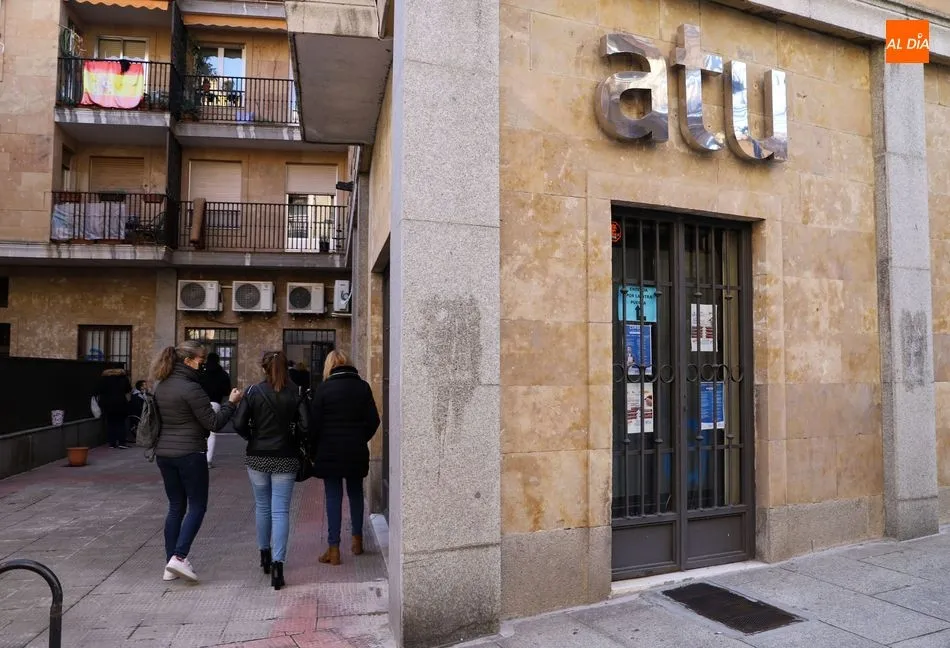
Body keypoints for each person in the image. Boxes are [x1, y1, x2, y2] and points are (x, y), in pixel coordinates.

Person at [150, 340, 242, 583]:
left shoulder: (162, 385)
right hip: (190, 453)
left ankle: (170, 564)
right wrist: (231, 404)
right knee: (197, 505)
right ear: (188, 361)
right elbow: (214, 423)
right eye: (201, 360)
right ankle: (179, 558)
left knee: (175, 506)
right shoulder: (191, 388)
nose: (203, 365)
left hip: (165, 454)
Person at [233, 350, 310, 590]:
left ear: (264, 368)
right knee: (280, 511)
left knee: (262, 507)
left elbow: (237, 423)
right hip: (285, 456)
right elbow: (307, 425)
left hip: (257, 456)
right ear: (286, 368)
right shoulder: (296, 392)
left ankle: (264, 556)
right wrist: (294, 438)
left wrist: (252, 437)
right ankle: (278, 566)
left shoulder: (253, 392)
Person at [310, 350, 380, 565]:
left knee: (333, 496)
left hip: (329, 451)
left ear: (329, 367)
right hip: (355, 450)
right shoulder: (362, 387)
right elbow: (374, 420)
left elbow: (314, 425)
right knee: (356, 493)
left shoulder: (323, 389)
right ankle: (357, 542)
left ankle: (333, 550)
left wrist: (314, 451)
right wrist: (360, 437)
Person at [199, 352, 232, 468]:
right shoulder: (223, 374)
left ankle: (197, 456)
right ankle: (208, 460)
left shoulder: (201, 372)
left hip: (199, 402)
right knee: (212, 433)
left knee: (197, 430)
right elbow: (227, 391)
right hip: (215, 403)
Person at [95, 366, 132, 449]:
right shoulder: (123, 379)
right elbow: (128, 390)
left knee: (110, 423)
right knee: (121, 423)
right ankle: (122, 442)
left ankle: (112, 443)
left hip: (107, 404)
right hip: (120, 403)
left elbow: (98, 390)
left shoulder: (103, 379)